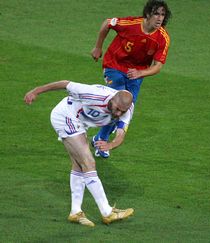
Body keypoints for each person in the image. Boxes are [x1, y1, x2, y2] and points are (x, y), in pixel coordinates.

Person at [24, 80, 135, 227]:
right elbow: (65, 83)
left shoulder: (128, 108)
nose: (119, 113)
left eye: (123, 111)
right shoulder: (93, 94)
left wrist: (111, 144)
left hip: (80, 123)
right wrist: (36, 91)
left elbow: (121, 134)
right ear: (112, 99)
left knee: (79, 164)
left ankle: (75, 212)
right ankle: (107, 212)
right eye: (117, 109)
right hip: (66, 116)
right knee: (89, 162)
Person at [90, 0, 171, 158]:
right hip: (114, 65)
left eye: (162, 14)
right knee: (118, 103)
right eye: (156, 13)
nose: (160, 18)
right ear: (147, 14)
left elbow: (158, 66)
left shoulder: (163, 38)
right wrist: (98, 47)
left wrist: (141, 73)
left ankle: (99, 138)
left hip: (136, 73)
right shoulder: (130, 23)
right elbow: (108, 23)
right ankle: (103, 141)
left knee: (125, 107)